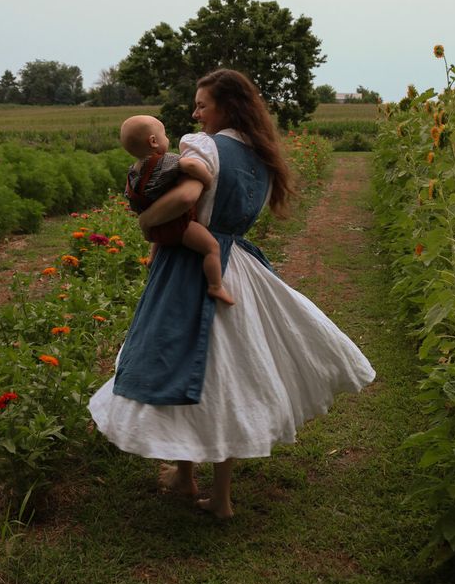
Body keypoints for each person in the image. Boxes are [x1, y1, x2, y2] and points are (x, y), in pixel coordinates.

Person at [89, 69, 375, 519]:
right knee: (230, 376)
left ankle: (190, 479)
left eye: (203, 104)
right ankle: (214, 492)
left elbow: (185, 197)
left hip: (189, 266)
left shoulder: (204, 147)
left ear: (226, 106)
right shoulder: (261, 156)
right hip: (235, 261)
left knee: (185, 365)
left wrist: (146, 224)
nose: (195, 112)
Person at [122, 114, 234, 305]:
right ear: (154, 141)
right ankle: (215, 286)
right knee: (211, 248)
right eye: (164, 134)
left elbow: (129, 196)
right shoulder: (164, 162)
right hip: (178, 225)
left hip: (156, 231)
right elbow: (190, 164)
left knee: (162, 237)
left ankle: (152, 258)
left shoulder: (134, 172)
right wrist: (207, 181)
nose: (167, 139)